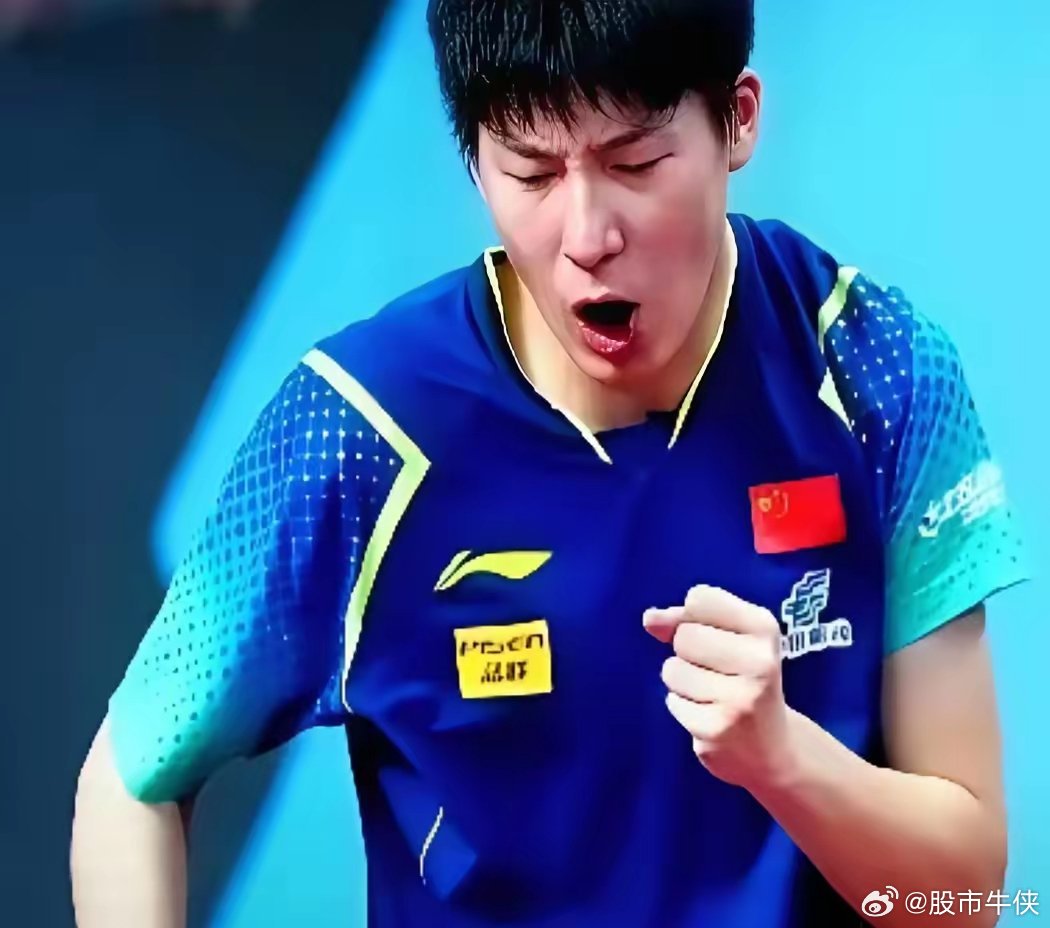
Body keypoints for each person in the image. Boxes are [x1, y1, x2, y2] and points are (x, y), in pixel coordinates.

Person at [71, 1, 1030, 926]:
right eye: (530, 173)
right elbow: (131, 777)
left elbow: (963, 902)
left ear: (737, 120)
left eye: (636, 163)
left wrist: (783, 758)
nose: (587, 239)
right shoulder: (359, 431)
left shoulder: (876, 371)